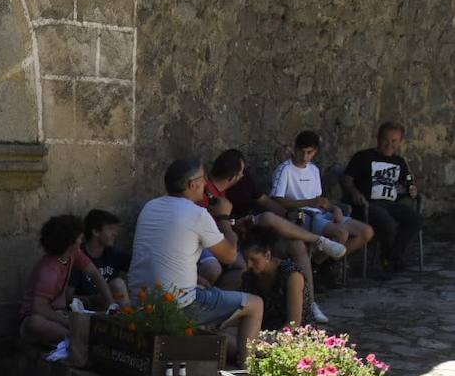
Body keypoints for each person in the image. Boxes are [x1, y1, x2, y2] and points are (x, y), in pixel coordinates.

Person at [127, 157, 263, 361]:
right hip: (178, 307)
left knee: (227, 342)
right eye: (203, 178)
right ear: (192, 185)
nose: (206, 182)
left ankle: (228, 349)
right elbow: (230, 256)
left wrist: (195, 278)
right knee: (255, 304)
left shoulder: (150, 206)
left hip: (141, 302)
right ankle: (247, 371)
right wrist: (224, 217)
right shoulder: (197, 214)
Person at [207, 148, 345, 321]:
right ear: (231, 177)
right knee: (267, 218)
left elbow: (264, 200)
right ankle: (319, 240)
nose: (243, 176)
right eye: (241, 173)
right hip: (237, 238)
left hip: (254, 232)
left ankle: (309, 302)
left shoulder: (243, 182)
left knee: (296, 245)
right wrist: (233, 222)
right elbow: (215, 227)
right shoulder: (208, 195)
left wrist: (288, 216)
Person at [270, 130, 374, 260]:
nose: (304, 156)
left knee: (366, 232)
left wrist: (335, 208)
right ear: (295, 148)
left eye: (309, 152)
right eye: (302, 151)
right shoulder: (285, 170)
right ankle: (318, 264)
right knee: (341, 234)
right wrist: (308, 203)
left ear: (315, 152)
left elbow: (319, 201)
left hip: (321, 213)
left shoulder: (314, 170)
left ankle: (324, 262)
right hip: (302, 216)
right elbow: (276, 200)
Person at [19, 214, 115, 347]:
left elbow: (95, 274)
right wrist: (67, 322)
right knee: (35, 323)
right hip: (40, 319)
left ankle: (76, 336)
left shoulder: (73, 255)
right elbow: (39, 307)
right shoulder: (49, 270)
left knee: (113, 291)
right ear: (70, 243)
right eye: (80, 238)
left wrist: (112, 306)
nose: (82, 241)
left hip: (61, 314)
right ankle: (77, 339)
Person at [342, 121, 423, 275]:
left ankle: (391, 258)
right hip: (367, 205)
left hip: (390, 204)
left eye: (394, 141)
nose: (389, 144)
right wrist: (354, 192)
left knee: (416, 219)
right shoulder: (363, 157)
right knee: (387, 221)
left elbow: (409, 182)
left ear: (400, 142)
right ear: (378, 138)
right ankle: (390, 261)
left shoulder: (399, 161)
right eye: (386, 139)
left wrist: (412, 188)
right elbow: (346, 179)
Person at [241, 226, 311, 331]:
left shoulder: (292, 276)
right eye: (245, 260)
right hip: (263, 331)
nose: (248, 265)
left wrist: (271, 342)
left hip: (294, 335)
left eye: (253, 259)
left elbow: (294, 322)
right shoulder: (249, 276)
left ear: (267, 255)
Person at [72, 209, 130, 308]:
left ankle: (129, 320)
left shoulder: (113, 254)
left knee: (118, 284)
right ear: (95, 232)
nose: (115, 233)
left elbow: (138, 267)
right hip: (84, 312)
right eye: (110, 229)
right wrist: (92, 300)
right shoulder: (78, 256)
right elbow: (67, 297)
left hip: (111, 310)